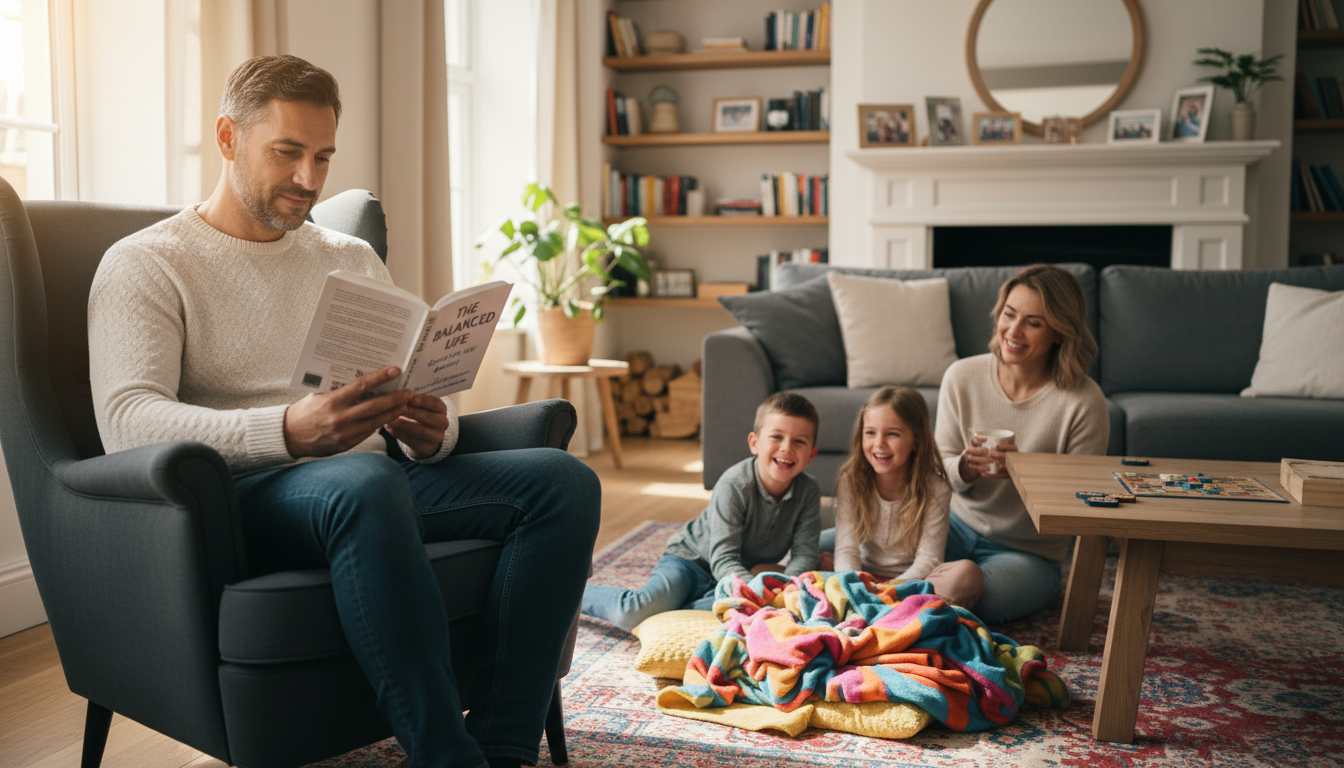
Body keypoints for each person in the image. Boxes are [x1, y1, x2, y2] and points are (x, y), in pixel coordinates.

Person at [87, 55, 598, 768]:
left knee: (561, 482)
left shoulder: (349, 256)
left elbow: (421, 396)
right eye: (287, 152)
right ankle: (442, 754)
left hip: (372, 482)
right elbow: (126, 422)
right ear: (229, 137)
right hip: (243, 496)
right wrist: (288, 432)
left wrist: (431, 430)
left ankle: (505, 746)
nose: (309, 179)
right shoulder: (148, 263)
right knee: (362, 484)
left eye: (322, 156)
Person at [925, 265, 1108, 625]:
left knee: (965, 583)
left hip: (1028, 553)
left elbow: (1082, 504)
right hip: (954, 527)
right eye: (1009, 315)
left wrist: (1026, 472)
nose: (1014, 331)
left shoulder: (1083, 401)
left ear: (1059, 332)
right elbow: (936, 471)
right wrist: (963, 466)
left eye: (1034, 323)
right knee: (852, 542)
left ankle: (903, 595)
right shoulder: (962, 376)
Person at [581, 392, 822, 631]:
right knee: (636, 612)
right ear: (754, 443)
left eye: (799, 441)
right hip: (689, 562)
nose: (787, 448)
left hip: (734, 573)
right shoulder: (734, 484)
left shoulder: (808, 492)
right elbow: (723, 557)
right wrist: (755, 593)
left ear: (812, 453)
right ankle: (572, 592)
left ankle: (683, 607)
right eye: (776, 437)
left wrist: (788, 591)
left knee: (734, 613)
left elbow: (804, 554)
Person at [831, 387, 959, 593]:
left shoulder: (936, 488)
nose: (879, 444)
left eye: (892, 434)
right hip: (864, 573)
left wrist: (889, 589)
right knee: (815, 553)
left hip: (912, 580)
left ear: (916, 440)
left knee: (966, 575)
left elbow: (929, 560)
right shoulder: (851, 479)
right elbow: (847, 549)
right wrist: (856, 585)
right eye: (870, 433)